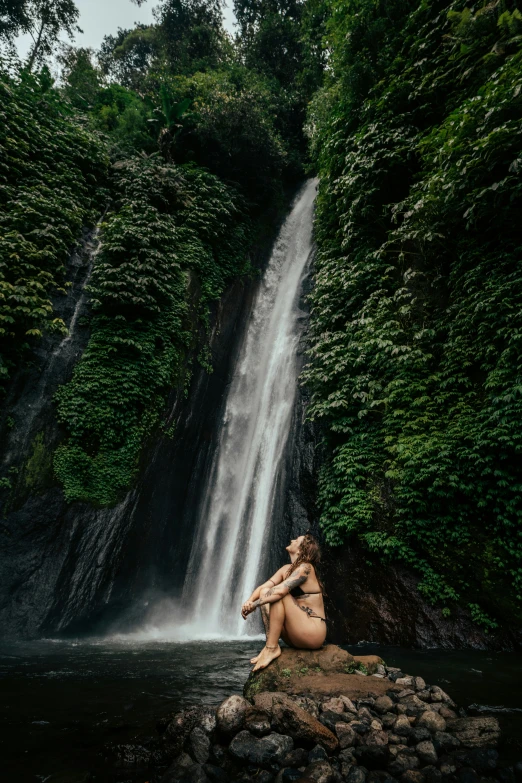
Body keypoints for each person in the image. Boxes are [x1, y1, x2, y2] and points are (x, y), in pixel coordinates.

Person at [241, 532, 327, 672]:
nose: (292, 539)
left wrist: (255, 605)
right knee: (266, 592)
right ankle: (270, 645)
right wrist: (249, 601)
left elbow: (280, 591)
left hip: (313, 631)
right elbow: (264, 587)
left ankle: (271, 648)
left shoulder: (306, 568)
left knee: (278, 594)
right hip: (295, 632)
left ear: (300, 550)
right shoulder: (286, 569)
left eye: (296, 540)